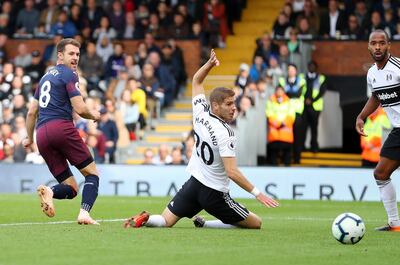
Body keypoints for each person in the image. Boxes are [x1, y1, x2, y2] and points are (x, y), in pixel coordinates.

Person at [124, 50, 279, 229]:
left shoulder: (200, 112)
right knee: (256, 223)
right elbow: (232, 172)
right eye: (228, 104)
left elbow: (196, 80)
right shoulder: (225, 133)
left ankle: (147, 219)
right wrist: (257, 193)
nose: (233, 108)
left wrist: (209, 64)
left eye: (234, 103)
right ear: (215, 105)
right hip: (214, 194)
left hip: (194, 184)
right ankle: (206, 224)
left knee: (166, 221)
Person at [23, 38, 101, 225]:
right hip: (62, 128)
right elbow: (80, 109)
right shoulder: (70, 74)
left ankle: (50, 191)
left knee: (71, 188)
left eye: (77, 54)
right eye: (71, 54)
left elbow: (32, 111)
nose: (75, 58)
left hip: (42, 135)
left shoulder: (44, 78)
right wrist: (93, 114)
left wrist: (29, 138)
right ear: (60, 55)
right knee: (92, 175)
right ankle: (84, 213)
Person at [355, 29, 400, 231]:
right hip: (398, 130)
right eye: (374, 43)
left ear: (389, 45)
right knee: (381, 173)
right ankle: (395, 223)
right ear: (369, 46)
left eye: (382, 43)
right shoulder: (372, 73)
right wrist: (362, 116)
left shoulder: (398, 67)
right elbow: (376, 97)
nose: (378, 47)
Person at [303, 61, 327, 153]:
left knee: (314, 127)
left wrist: (312, 101)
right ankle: (302, 146)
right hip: (303, 106)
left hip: (315, 107)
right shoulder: (303, 77)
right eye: (310, 66)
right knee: (303, 127)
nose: (311, 68)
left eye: (313, 66)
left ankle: (314, 146)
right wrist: (305, 100)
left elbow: (322, 92)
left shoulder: (321, 78)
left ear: (316, 68)